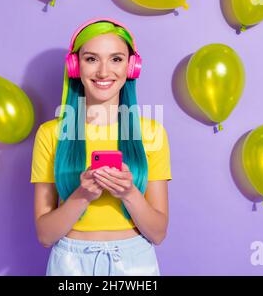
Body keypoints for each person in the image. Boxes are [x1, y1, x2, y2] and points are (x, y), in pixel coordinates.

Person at [30, 18, 172, 276]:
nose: (104, 72)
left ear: (131, 67)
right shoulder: (50, 134)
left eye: (116, 59)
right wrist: (82, 195)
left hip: (135, 262)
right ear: (75, 66)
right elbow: (45, 235)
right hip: (70, 264)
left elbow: (158, 233)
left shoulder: (152, 133)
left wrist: (128, 192)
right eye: (92, 59)